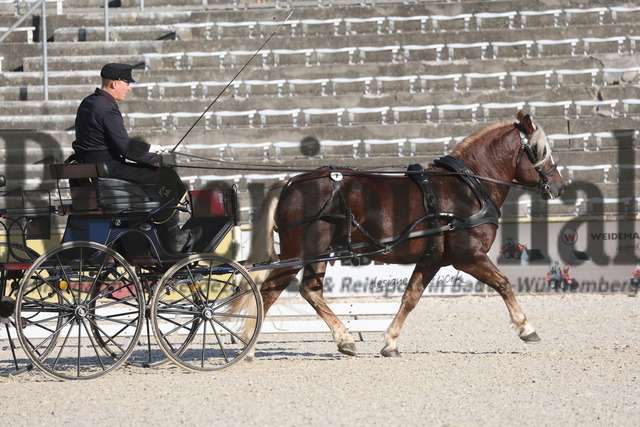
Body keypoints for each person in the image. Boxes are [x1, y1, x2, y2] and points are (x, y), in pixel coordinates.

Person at [73, 63, 198, 253]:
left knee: (159, 175)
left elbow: (118, 141)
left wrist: (150, 148)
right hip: (110, 168)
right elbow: (126, 149)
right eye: (126, 83)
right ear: (114, 84)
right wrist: (157, 160)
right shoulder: (107, 109)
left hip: (95, 166)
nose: (129, 87)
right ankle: (173, 237)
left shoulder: (89, 102)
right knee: (168, 177)